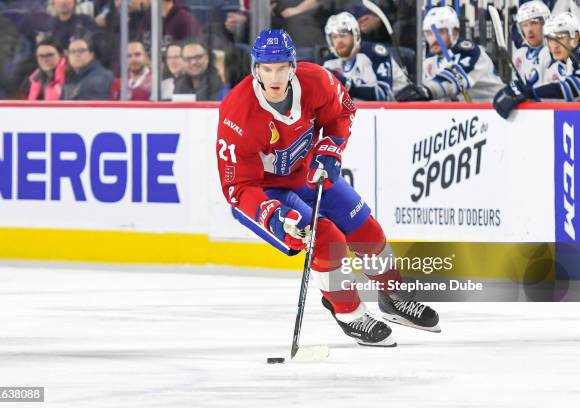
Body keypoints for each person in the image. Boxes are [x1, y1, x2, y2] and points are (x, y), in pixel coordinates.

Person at [216, 29, 440, 347]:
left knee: (366, 228)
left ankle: (393, 297)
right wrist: (272, 216)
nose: (275, 76)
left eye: (281, 67)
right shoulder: (237, 114)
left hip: (309, 174)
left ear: (293, 66)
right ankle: (347, 311)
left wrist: (332, 148)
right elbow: (238, 187)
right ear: (256, 69)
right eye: (267, 68)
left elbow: (342, 113)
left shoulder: (316, 80)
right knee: (326, 239)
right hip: (267, 193)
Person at [395, 6, 504, 102]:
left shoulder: (471, 52)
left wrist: (425, 90)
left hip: (496, 115)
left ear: (455, 33)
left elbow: (455, 80)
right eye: (430, 33)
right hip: (464, 119)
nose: (434, 39)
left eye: (440, 32)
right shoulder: (429, 63)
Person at [494, 12, 580, 119]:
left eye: (560, 38)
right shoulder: (559, 63)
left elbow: (574, 88)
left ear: (575, 37)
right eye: (551, 39)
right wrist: (521, 92)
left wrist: (529, 92)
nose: (555, 46)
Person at [322, 11, 408, 101]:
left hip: (398, 110)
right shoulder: (329, 63)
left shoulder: (375, 54)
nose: (339, 41)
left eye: (343, 35)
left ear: (355, 35)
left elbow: (383, 94)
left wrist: (347, 85)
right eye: (334, 37)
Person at [512, 0, 552, 86]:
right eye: (525, 25)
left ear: (546, 24)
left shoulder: (554, 53)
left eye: (534, 23)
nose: (529, 30)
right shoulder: (519, 55)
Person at [61, 35, 113, 100]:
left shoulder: (98, 77)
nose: (77, 54)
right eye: (73, 51)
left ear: (91, 55)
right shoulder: (71, 75)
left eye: (81, 51)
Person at [26, 36, 66, 100]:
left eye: (50, 55)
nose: (45, 60)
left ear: (60, 55)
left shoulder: (68, 75)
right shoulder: (36, 78)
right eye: (41, 56)